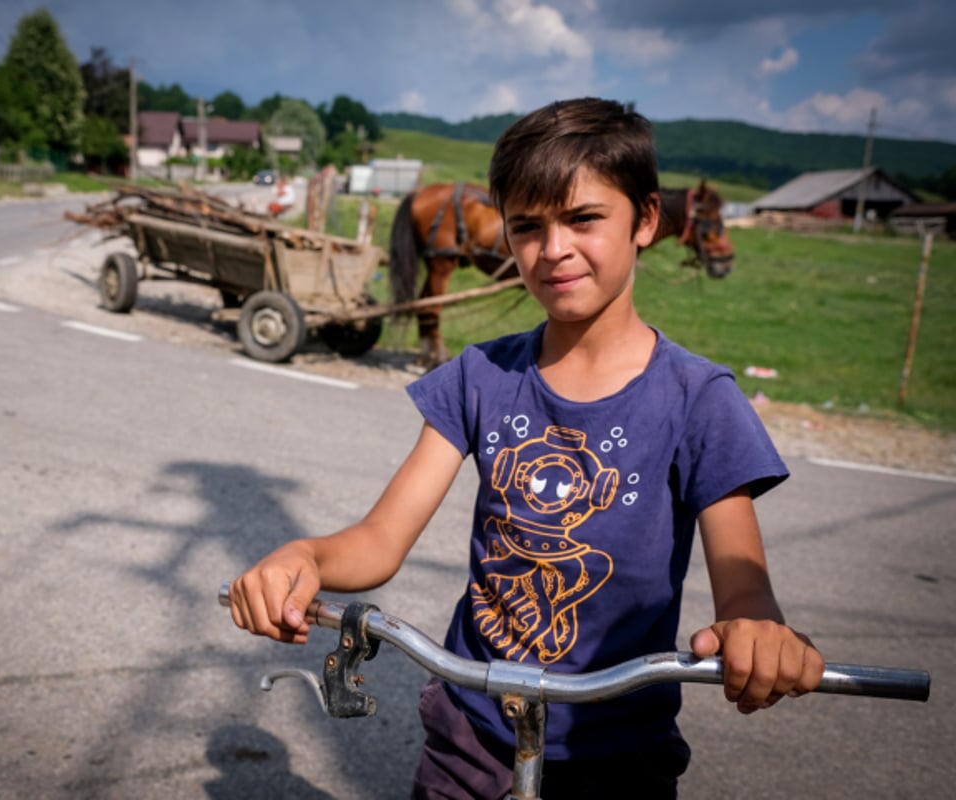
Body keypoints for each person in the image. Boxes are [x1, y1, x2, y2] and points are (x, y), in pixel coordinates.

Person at [228, 97, 824, 799]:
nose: (554, 249)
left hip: (619, 755)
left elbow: (744, 582)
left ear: (648, 220)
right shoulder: (480, 378)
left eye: (583, 219)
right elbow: (379, 541)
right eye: (528, 227)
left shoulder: (702, 400)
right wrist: (307, 556)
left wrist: (758, 631)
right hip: (469, 738)